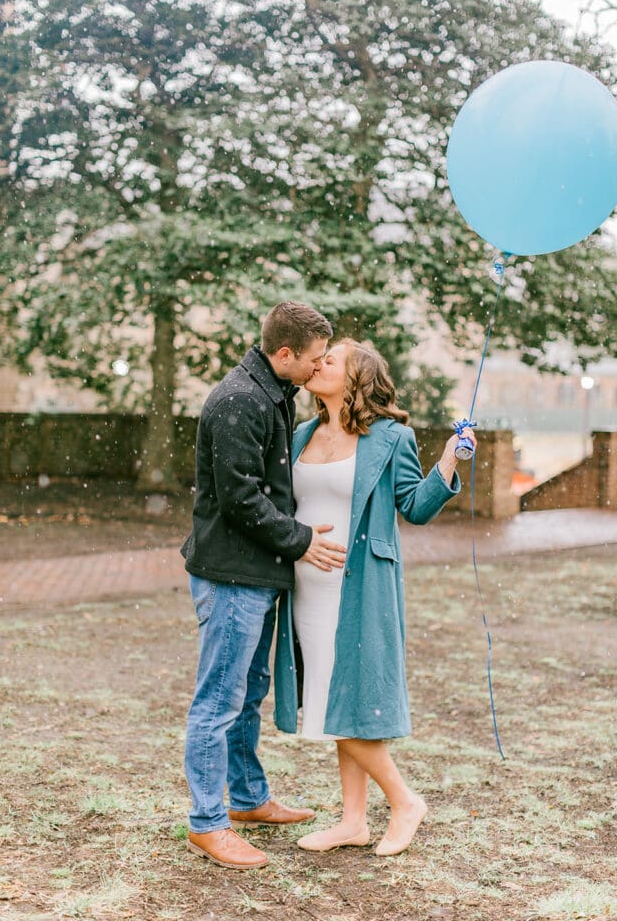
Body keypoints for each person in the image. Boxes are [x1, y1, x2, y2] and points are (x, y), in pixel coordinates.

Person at [273, 339, 476, 857]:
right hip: (306, 588)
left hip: (360, 585)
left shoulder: (391, 437)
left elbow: (416, 506)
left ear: (357, 377)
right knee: (334, 699)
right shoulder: (300, 434)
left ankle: (405, 801)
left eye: (330, 361)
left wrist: (449, 459)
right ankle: (353, 821)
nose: (318, 366)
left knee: (354, 701)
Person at [181, 302, 348, 871]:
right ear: (284, 354)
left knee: (247, 694)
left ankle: (249, 800)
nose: (317, 367)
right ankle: (208, 823)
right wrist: (302, 540)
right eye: (313, 359)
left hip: (256, 574)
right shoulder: (239, 401)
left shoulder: (274, 393)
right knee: (218, 702)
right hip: (230, 576)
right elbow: (241, 498)